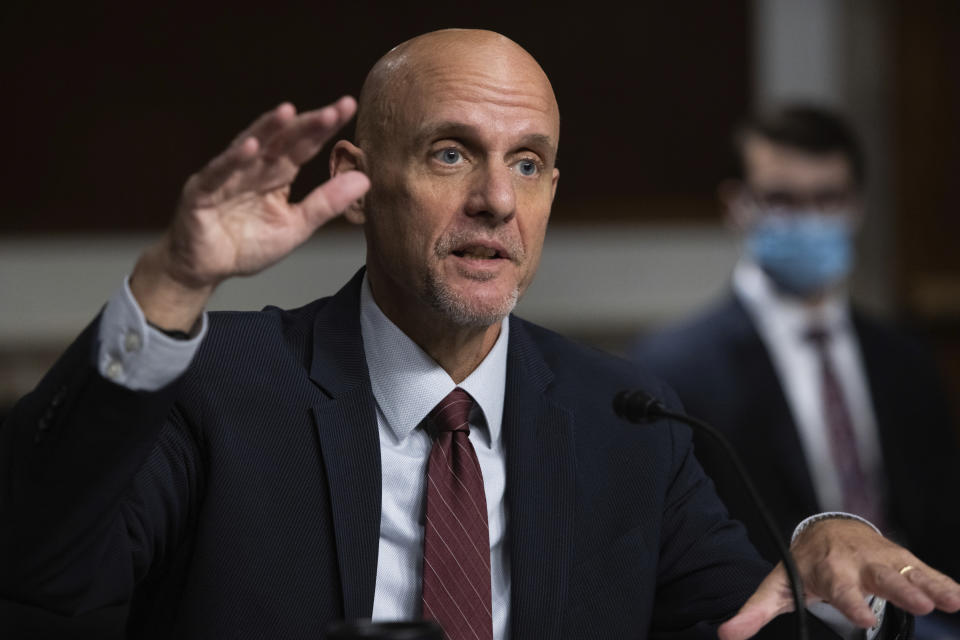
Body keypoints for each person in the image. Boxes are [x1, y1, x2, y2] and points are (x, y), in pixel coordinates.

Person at [1, 31, 957, 640]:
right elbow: (38, 567)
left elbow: (752, 622)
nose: (496, 201)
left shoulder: (626, 420)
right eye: (450, 153)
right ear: (356, 180)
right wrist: (175, 280)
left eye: (529, 164)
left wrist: (821, 546)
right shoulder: (222, 385)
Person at [630, 105, 960, 636]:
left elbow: (942, 522)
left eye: (827, 199)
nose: (808, 219)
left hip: (915, 617)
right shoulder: (672, 371)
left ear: (857, 206)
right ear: (736, 205)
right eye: (783, 199)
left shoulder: (906, 357)